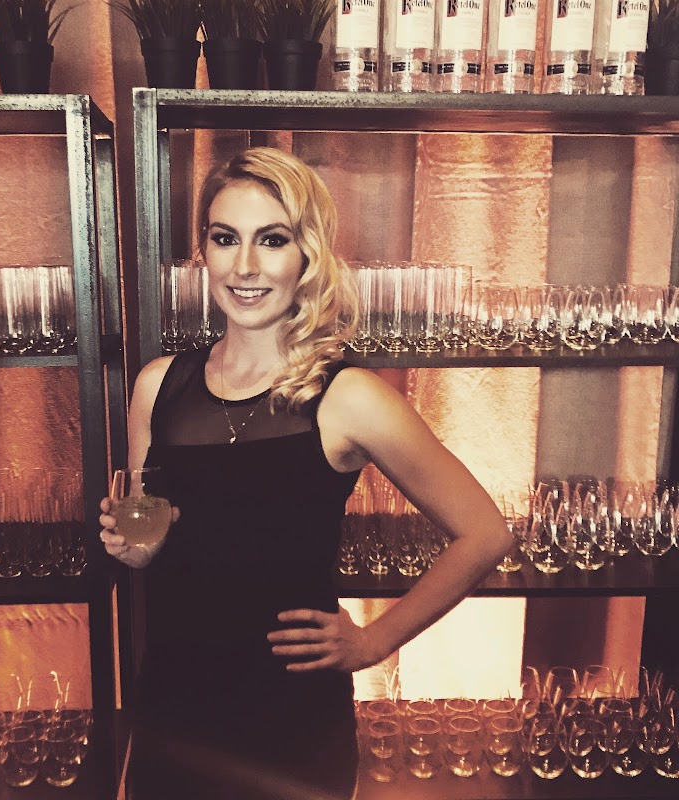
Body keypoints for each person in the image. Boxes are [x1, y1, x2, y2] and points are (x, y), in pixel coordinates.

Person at [99, 147, 511, 800]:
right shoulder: (158, 385)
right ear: (202, 252)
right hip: (173, 714)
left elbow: (486, 534)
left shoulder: (348, 397)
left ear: (307, 255)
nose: (246, 266)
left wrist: (374, 642)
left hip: (292, 725)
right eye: (225, 238)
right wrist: (135, 544)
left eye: (272, 240)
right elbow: (147, 527)